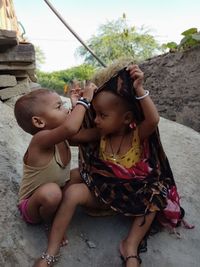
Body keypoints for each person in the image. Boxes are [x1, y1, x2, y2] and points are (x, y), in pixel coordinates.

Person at [33, 63, 191, 267]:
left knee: (155, 196)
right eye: (95, 114)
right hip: (101, 194)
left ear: (126, 118)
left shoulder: (136, 136)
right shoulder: (100, 135)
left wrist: (139, 88)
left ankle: (130, 246)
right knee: (72, 188)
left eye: (102, 115)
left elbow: (153, 119)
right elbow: (72, 136)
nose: (96, 120)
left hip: (131, 197)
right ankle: (52, 249)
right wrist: (77, 104)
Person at [14, 83, 97, 240]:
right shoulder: (40, 140)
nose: (65, 110)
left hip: (58, 189)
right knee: (51, 192)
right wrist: (84, 100)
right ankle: (50, 222)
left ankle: (59, 208)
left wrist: (75, 104)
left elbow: (85, 134)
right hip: (33, 205)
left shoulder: (63, 136)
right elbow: (71, 128)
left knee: (81, 172)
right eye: (59, 107)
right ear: (39, 122)